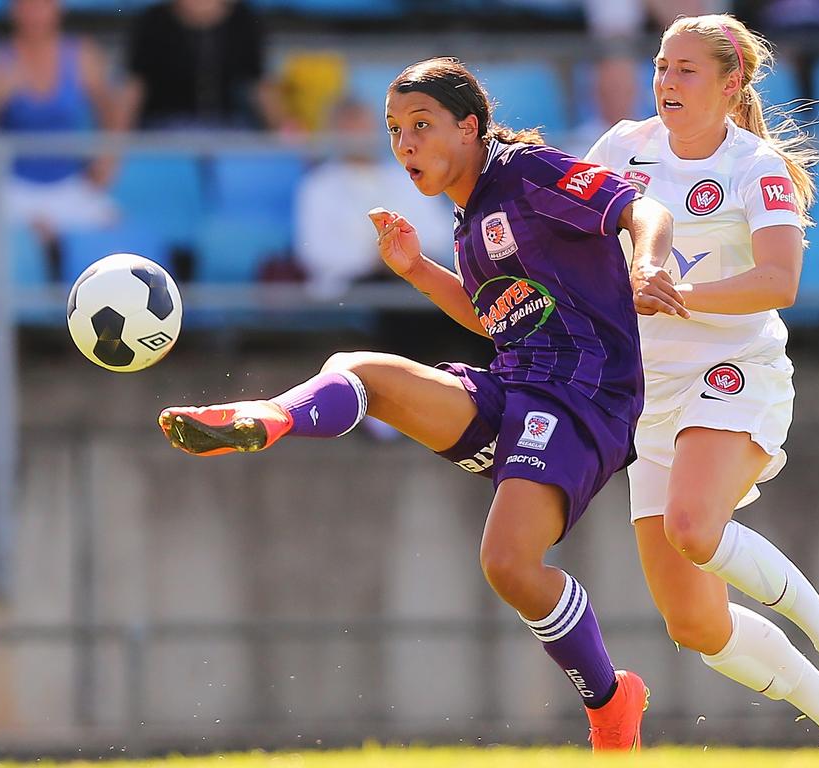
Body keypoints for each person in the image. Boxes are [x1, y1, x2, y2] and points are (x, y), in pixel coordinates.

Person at [157, 56, 676, 751]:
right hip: (519, 384)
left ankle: (613, 705)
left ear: (470, 127)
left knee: (507, 565)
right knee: (361, 368)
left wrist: (646, 263)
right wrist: (416, 270)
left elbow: (645, 209)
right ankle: (269, 417)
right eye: (395, 130)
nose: (404, 144)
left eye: (421, 126)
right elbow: (496, 318)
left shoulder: (527, 173)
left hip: (586, 394)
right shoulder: (467, 222)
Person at [584, 13, 819, 753]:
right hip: (650, 393)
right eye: (662, 65)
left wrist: (673, 292)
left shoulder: (752, 165)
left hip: (735, 371)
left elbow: (781, 280)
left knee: (693, 528)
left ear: (732, 87)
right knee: (693, 622)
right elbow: (574, 230)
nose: (665, 81)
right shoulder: (622, 147)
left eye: (686, 70)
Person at [0, 0, 119, 235]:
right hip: (10, 185)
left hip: (68, 182)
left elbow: (111, 114)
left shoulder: (82, 55)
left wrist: (106, 161)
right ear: (13, 10)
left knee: (116, 232)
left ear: (58, 8)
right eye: (26, 6)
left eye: (42, 5)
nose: (34, 14)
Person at [293, 97, 454, 298]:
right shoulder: (319, 185)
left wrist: (404, 257)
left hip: (414, 283)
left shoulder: (406, 176)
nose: (357, 135)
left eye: (362, 125)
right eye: (348, 128)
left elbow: (439, 233)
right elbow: (316, 251)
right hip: (349, 289)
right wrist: (381, 258)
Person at [119, 0, 288, 131]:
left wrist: (288, 135)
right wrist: (115, 146)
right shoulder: (152, 21)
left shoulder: (244, 20)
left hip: (228, 129)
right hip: (166, 129)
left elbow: (261, 88)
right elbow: (134, 90)